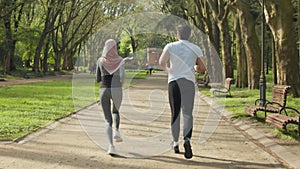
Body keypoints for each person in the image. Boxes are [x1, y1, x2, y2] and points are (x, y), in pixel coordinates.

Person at [159, 24, 206, 159]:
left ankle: (175, 143)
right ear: (189, 35)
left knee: (175, 113)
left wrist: (169, 71)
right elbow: (202, 67)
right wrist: (194, 68)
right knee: (187, 113)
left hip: (174, 82)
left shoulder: (170, 46)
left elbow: (162, 62)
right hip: (188, 83)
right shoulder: (195, 48)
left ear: (177, 34)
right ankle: (187, 139)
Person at [96, 39, 126, 156]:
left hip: (104, 89)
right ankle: (117, 131)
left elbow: (98, 78)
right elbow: (123, 76)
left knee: (107, 120)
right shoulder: (120, 60)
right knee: (116, 111)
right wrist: (120, 84)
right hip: (117, 88)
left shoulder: (100, 60)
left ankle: (111, 146)